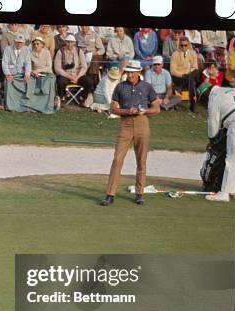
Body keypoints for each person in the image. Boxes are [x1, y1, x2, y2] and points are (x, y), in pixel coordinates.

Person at [101, 60, 160, 206]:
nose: (129, 75)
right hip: (125, 124)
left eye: (132, 72)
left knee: (141, 160)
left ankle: (140, 193)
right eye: (127, 72)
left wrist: (145, 110)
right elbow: (113, 108)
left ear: (138, 72)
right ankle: (110, 194)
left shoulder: (147, 87)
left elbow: (157, 108)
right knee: (117, 159)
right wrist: (127, 111)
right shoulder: (120, 86)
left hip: (142, 123)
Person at [204, 85, 235, 202]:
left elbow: (213, 124)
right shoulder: (230, 90)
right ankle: (232, 190)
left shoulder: (214, 98)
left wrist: (211, 140)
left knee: (231, 157)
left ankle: (224, 193)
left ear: (207, 92)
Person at [53, 34, 92, 105]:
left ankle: (83, 98)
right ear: (65, 42)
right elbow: (57, 68)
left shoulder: (79, 51)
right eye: (68, 42)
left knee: (88, 81)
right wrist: (69, 76)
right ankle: (62, 98)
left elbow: (84, 66)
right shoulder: (60, 51)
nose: (69, 44)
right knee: (61, 82)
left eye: (71, 42)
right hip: (66, 75)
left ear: (74, 43)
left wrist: (78, 76)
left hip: (77, 75)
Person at [170, 36, 201, 112]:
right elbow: (172, 71)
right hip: (179, 77)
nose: (183, 47)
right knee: (191, 81)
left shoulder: (192, 53)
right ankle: (192, 105)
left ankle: (192, 105)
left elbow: (195, 67)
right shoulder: (174, 54)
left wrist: (188, 74)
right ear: (179, 45)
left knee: (192, 78)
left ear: (188, 45)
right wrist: (183, 75)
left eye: (185, 45)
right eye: (182, 45)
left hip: (189, 76)